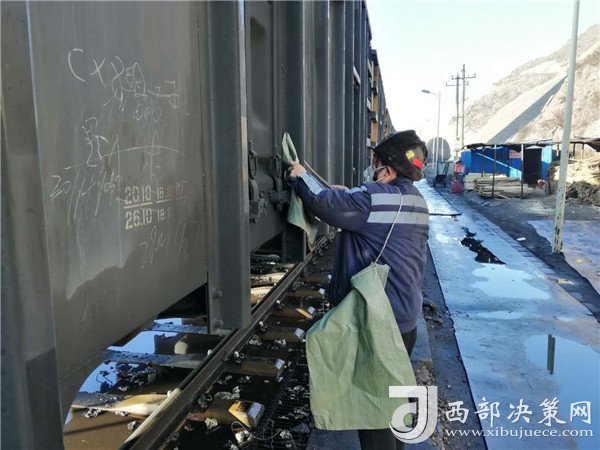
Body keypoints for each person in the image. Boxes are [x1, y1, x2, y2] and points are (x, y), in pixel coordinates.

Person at [288, 130, 430, 450]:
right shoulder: (416, 201)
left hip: (379, 322)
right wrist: (350, 194)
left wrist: (300, 176)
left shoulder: (374, 200)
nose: (372, 170)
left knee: (374, 411)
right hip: (405, 317)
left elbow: (324, 204)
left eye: (375, 164)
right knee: (395, 402)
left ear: (388, 170)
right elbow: (359, 205)